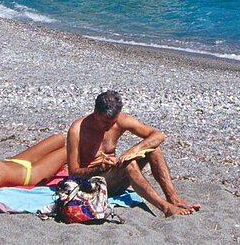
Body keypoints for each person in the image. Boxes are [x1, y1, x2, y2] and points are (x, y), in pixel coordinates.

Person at [67, 90, 200, 217]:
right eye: (106, 122)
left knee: (153, 149)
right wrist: (100, 167)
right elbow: (73, 172)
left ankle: (172, 197)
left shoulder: (119, 121)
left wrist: (133, 151)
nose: (109, 127)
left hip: (114, 176)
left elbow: (158, 136)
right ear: (96, 113)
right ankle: (166, 208)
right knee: (129, 166)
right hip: (91, 183)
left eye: (113, 123)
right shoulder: (77, 130)